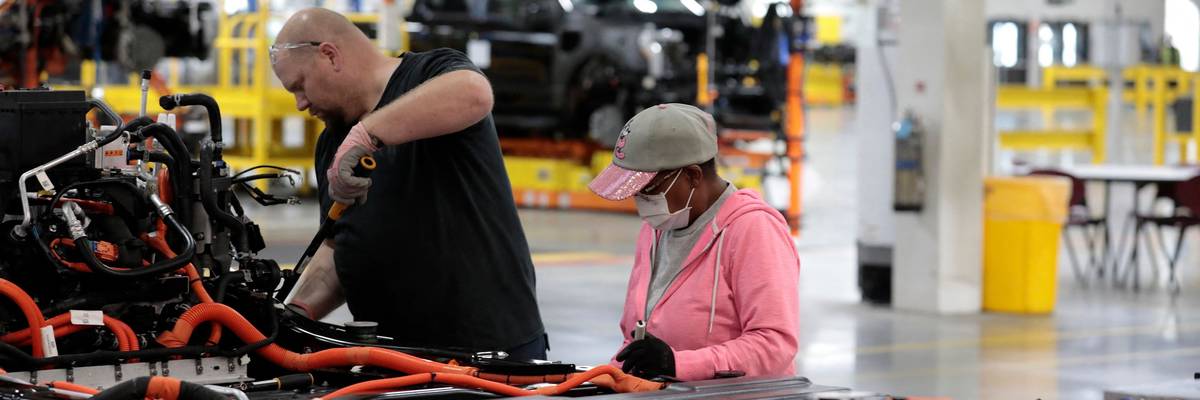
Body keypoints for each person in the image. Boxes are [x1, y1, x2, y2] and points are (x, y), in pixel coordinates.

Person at [269, 8, 546, 359]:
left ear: (329, 55)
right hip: (392, 356)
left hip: (488, 352)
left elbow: (474, 93)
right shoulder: (330, 142)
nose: (300, 103)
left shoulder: (429, 73)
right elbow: (340, 246)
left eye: (300, 86)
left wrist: (366, 135)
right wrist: (295, 316)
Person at [588, 104, 800, 380]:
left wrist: (678, 364)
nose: (640, 200)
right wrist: (604, 378)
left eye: (648, 188)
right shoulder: (656, 229)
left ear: (692, 176)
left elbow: (774, 346)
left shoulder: (753, 230)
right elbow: (635, 342)